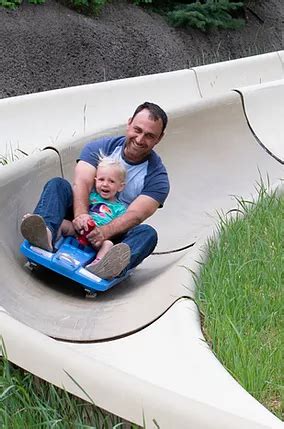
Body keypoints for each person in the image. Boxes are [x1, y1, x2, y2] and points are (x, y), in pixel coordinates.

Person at [21, 101, 170, 280]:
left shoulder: (157, 178)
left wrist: (104, 232)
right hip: (83, 214)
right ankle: (45, 233)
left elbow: (135, 215)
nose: (139, 140)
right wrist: (81, 216)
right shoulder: (100, 148)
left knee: (147, 234)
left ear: (159, 138)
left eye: (149, 136)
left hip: (113, 236)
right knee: (58, 184)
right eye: (137, 130)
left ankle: (109, 265)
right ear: (129, 123)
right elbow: (82, 184)